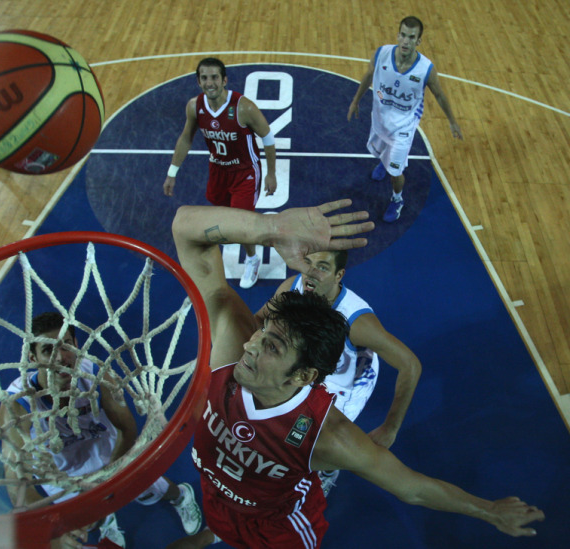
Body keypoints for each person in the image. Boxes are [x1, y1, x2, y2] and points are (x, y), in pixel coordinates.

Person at [171, 200, 543, 548]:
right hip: (219, 499)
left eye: (271, 347)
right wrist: (267, 227)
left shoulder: (327, 435)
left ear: (302, 376)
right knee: (225, 517)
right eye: (262, 334)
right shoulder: (236, 345)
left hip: (279, 530)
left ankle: (315, 478)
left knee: (309, 469)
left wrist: (488, 511)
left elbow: (411, 487)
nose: (250, 346)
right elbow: (184, 227)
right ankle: (216, 532)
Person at [0, 312, 202, 549]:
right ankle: (106, 520)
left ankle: (180, 495)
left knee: (149, 488)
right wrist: (55, 526)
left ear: (76, 344)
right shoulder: (18, 404)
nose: (61, 357)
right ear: (33, 358)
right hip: (62, 474)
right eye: (48, 351)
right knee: (88, 520)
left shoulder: (97, 374)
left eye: (65, 345)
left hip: (109, 453)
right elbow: (16, 483)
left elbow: (127, 429)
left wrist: (108, 479)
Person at [253, 248, 422, 495]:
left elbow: (410, 365)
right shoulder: (294, 285)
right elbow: (259, 319)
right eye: (308, 263)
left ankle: (329, 470)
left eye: (322, 267)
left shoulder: (357, 322)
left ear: (338, 275)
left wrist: (390, 427)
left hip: (344, 387)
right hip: (310, 366)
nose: (311, 273)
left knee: (313, 445)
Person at [163, 57, 277, 289]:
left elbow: (267, 137)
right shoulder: (195, 106)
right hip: (217, 170)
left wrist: (271, 173)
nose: (210, 82)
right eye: (204, 78)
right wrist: (172, 172)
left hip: (245, 171)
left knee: (242, 223)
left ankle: (252, 259)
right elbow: (186, 137)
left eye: (214, 77)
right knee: (220, 216)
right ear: (198, 81)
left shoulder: (243, 107)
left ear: (224, 80)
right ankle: (219, 255)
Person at [347, 16, 462, 223]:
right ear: (398, 35)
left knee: (396, 170)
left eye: (412, 37)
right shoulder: (382, 53)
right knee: (383, 154)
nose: (406, 41)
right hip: (380, 118)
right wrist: (355, 100)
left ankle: (397, 199)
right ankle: (385, 160)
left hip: (404, 127)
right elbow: (369, 74)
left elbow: (440, 95)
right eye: (403, 35)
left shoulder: (425, 69)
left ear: (418, 41)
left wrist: (452, 121)